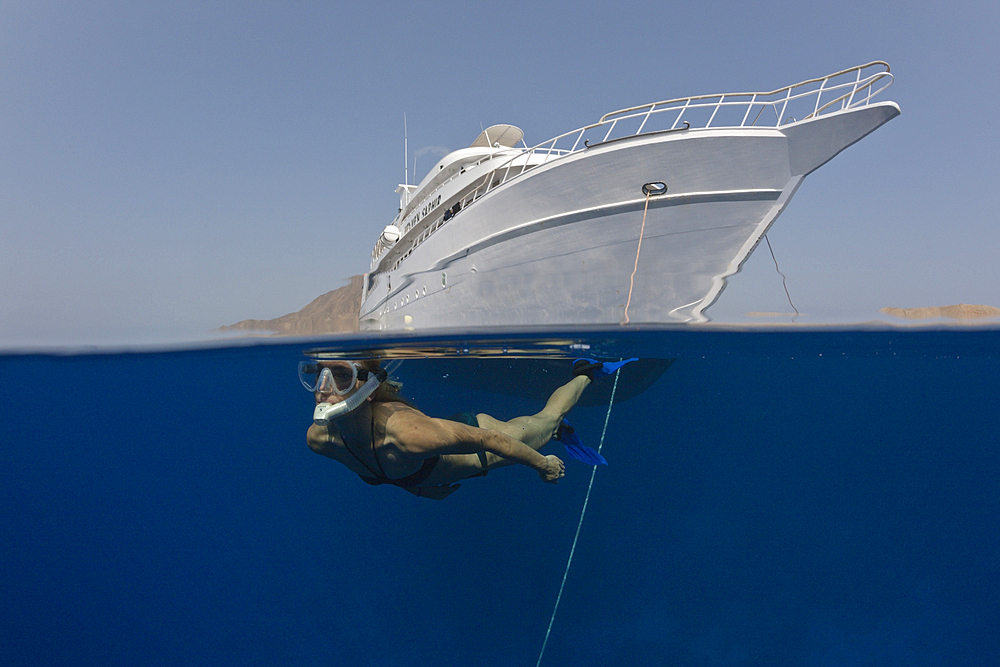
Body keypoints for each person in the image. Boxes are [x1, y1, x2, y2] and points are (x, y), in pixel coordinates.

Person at [302, 358, 625, 500]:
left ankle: (588, 371)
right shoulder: (321, 440)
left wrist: (544, 465)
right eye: (319, 374)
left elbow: (490, 439)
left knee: (547, 419)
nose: (324, 387)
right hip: (445, 445)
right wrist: (415, 487)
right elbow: (376, 462)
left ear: (369, 388)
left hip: (483, 449)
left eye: (341, 376)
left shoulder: (409, 437)